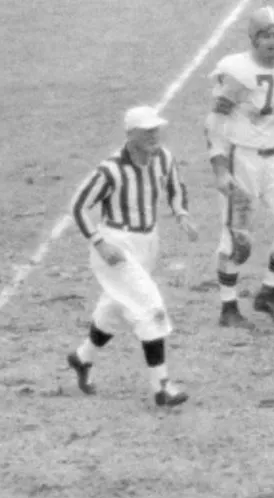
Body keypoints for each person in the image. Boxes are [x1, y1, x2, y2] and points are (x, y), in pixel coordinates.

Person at [67, 105, 198, 407]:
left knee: (116, 305)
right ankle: (161, 386)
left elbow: (175, 186)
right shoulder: (110, 170)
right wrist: (100, 243)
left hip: (147, 242)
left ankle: (82, 358)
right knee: (150, 308)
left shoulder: (163, 158)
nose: (154, 135)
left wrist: (181, 213)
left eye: (156, 129)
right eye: (147, 131)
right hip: (117, 244)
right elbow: (78, 206)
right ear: (131, 135)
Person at [204, 4, 274, 328]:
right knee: (239, 242)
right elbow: (214, 123)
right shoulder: (237, 73)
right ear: (253, 38)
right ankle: (228, 307)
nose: (272, 41)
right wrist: (220, 169)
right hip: (243, 159)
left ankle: (268, 292)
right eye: (265, 35)